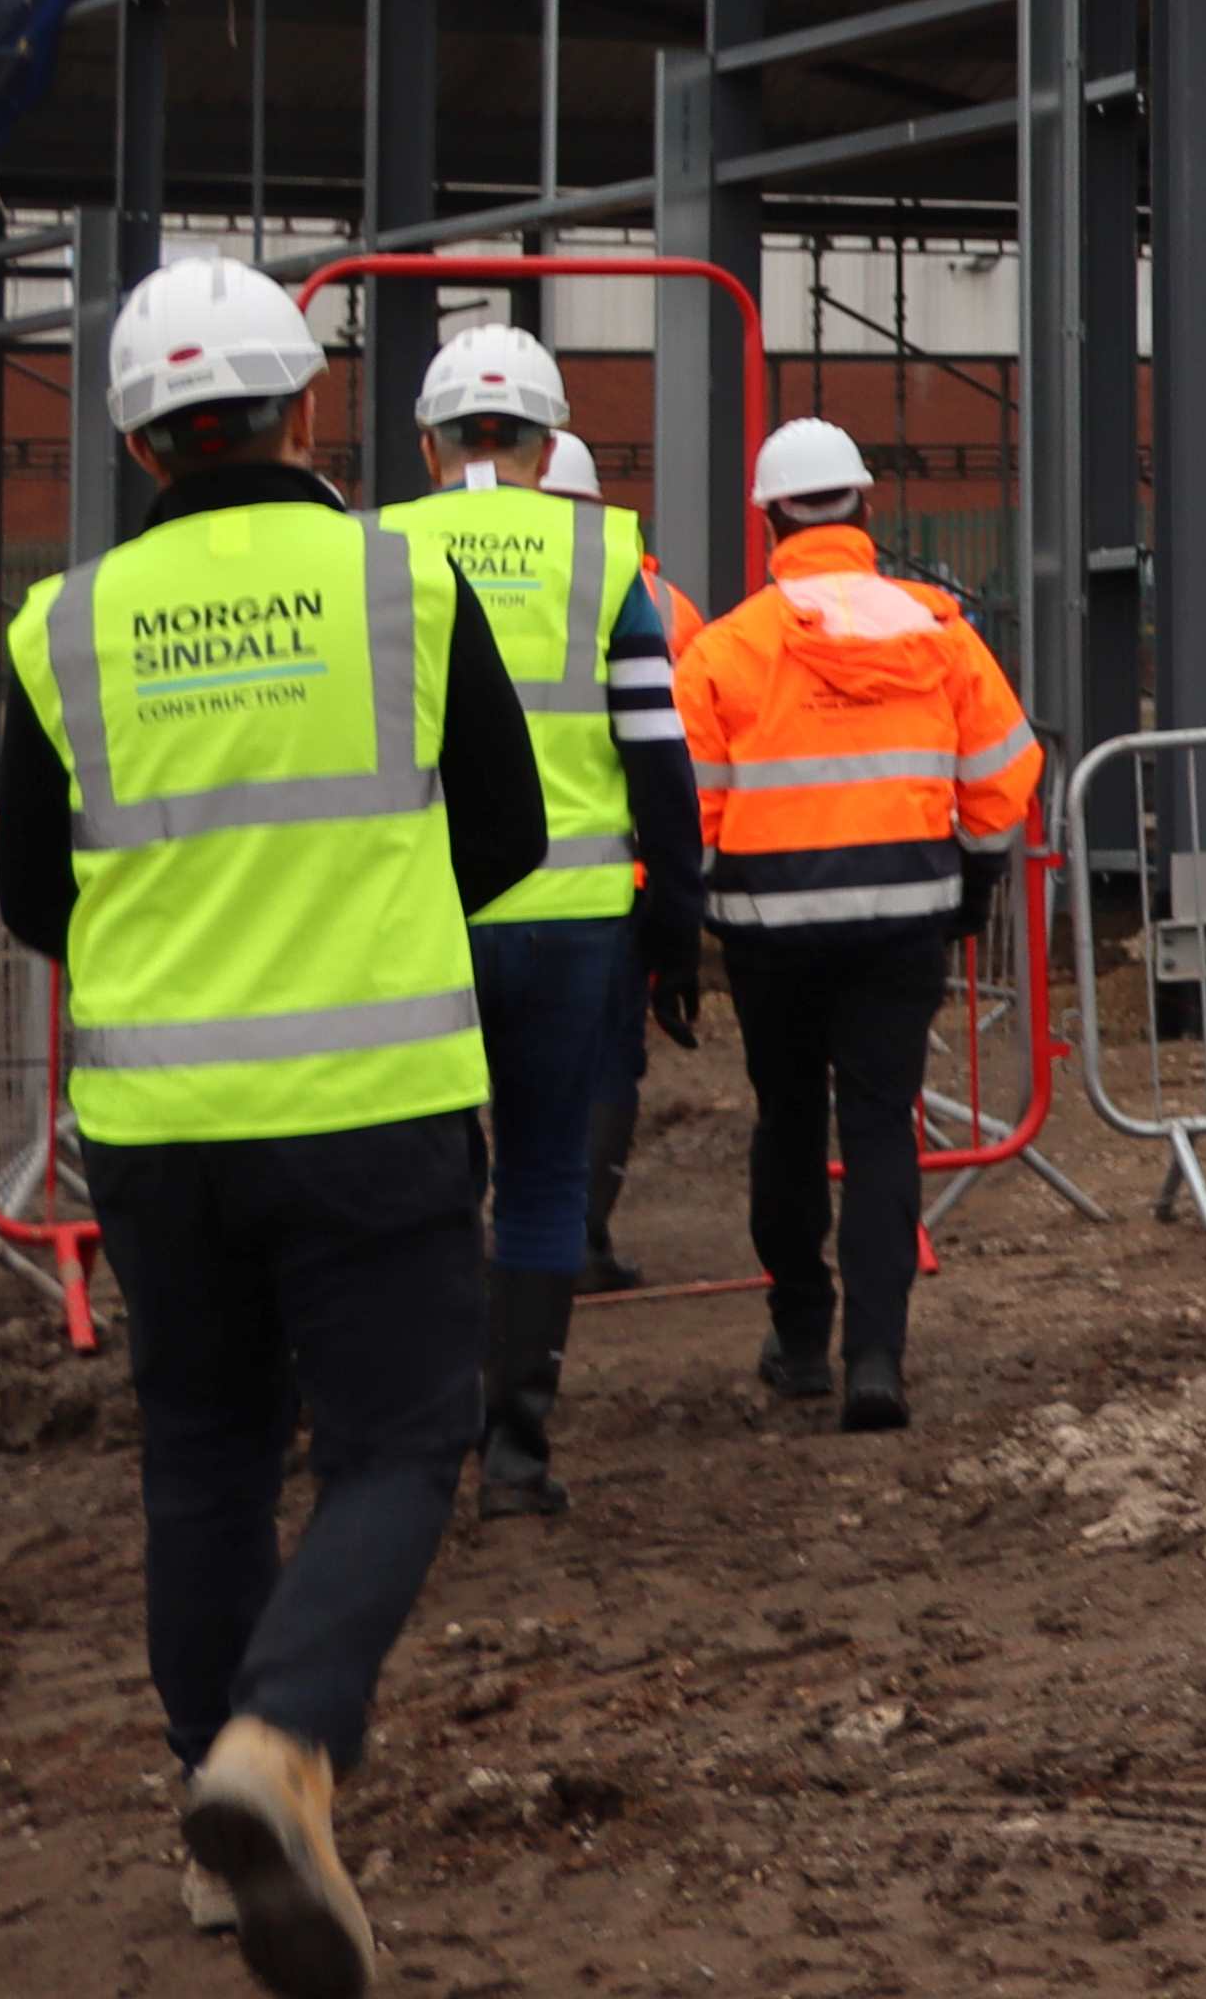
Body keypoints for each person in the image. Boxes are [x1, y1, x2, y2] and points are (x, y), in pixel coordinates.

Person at [0, 255, 538, 1999]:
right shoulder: (403, 584)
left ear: (141, 444)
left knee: (204, 1456)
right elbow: (510, 832)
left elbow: (30, 896)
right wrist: (364, 916)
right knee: (394, 1445)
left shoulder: (60, 621)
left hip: (157, 1122)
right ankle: (282, 1745)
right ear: (312, 411)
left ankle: (213, 1829)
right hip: (373, 1102)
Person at [378, 326, 700, 1517]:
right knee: (549, 1173)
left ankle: (424, 1418)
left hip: (427, 912)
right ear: (551, 439)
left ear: (429, 441)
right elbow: (657, 757)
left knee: (428, 1174)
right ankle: (517, 1446)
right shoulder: (603, 552)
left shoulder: (381, 550)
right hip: (573, 921)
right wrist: (676, 920)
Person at [674, 417, 1034, 1431]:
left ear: (770, 517)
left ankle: (798, 1341)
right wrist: (974, 876)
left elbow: (687, 805)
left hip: (769, 932)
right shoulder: (939, 630)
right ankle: (877, 1358)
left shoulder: (727, 650)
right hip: (901, 922)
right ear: (866, 507)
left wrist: (694, 911)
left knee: (787, 1122)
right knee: (880, 1128)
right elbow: (1004, 772)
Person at [538, 430, 689, 1295]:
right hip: (611, 881)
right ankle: (581, 1239)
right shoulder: (660, 603)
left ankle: (484, 1241)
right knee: (601, 1065)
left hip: (464, 887)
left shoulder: (435, 579)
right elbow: (679, 759)